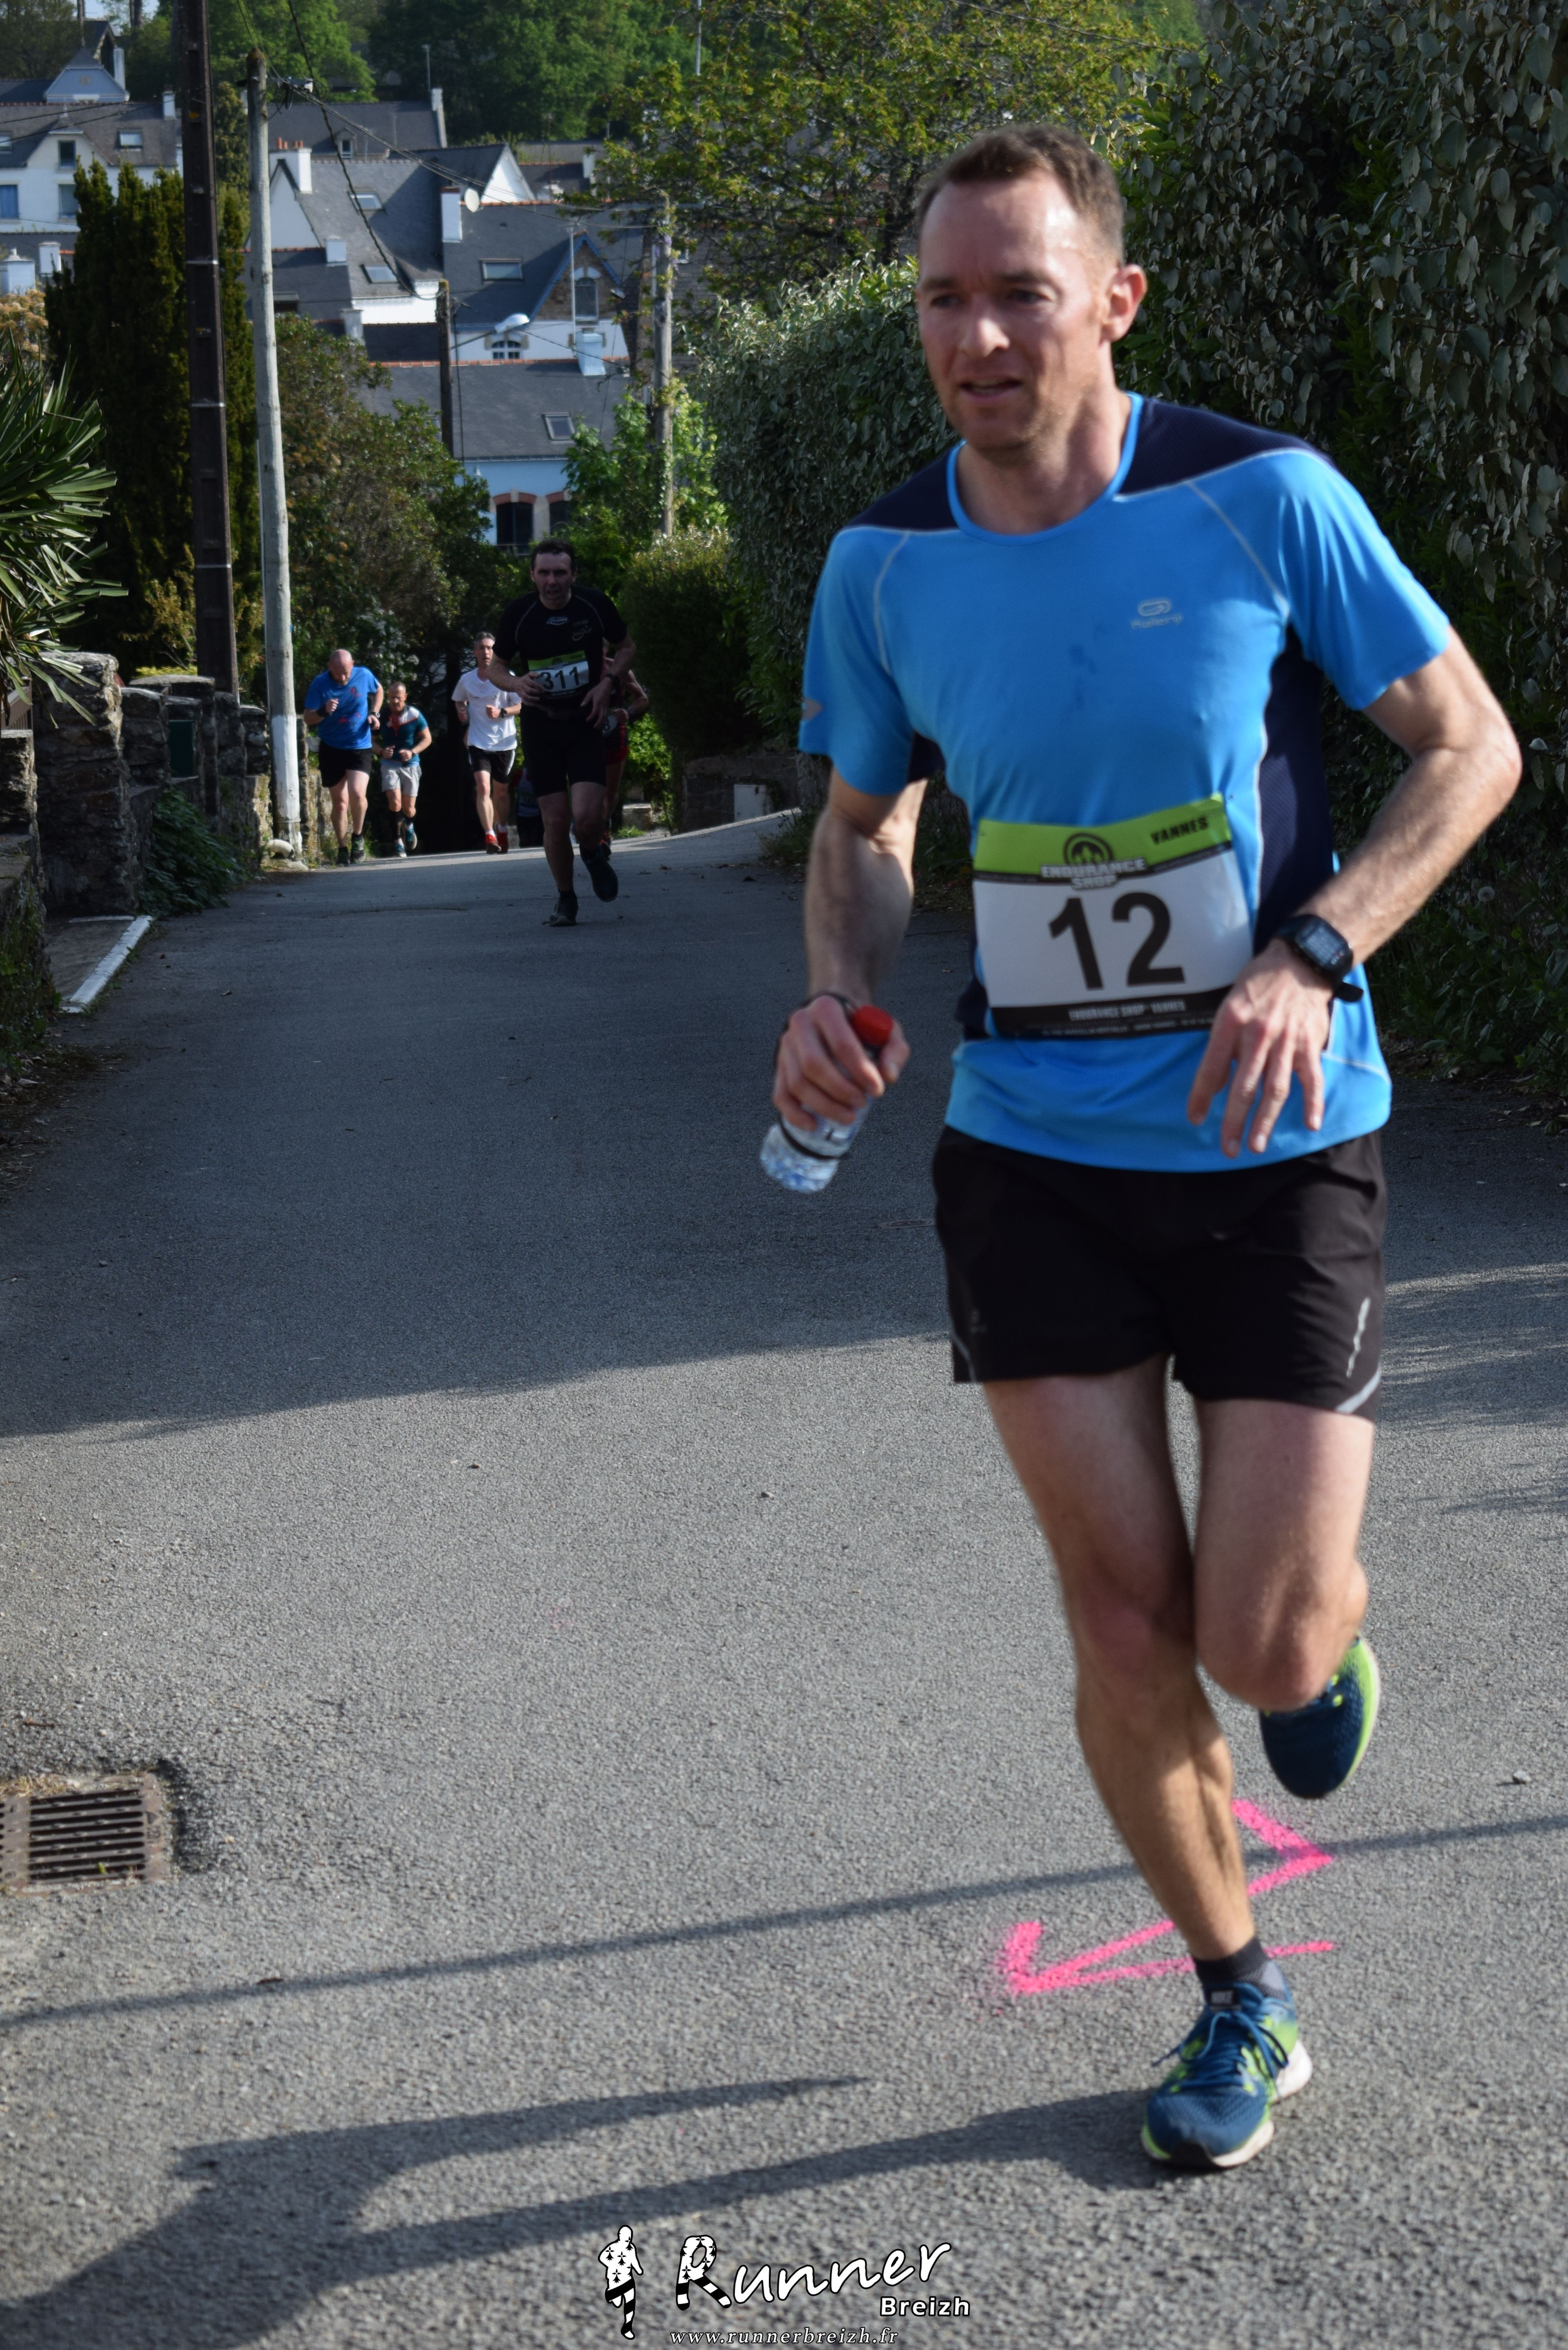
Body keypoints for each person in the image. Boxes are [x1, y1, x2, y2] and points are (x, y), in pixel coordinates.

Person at [775, 123, 1520, 2172]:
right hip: (1030, 1145)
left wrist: (1313, 949)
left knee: (1256, 1637)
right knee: (1121, 1621)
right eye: (942, 300)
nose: (977, 338)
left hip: (1276, 1132)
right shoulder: (882, 563)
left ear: (1110, 302)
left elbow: (1467, 747)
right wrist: (835, 990)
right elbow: (865, 826)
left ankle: (1314, 1630)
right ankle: (1237, 1991)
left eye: (1020, 293)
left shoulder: (1261, 498)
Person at [488, 540, 636, 925]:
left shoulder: (593, 604)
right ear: (533, 575)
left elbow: (626, 648)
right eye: (544, 573)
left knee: (587, 818)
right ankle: (566, 898)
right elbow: (496, 667)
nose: (551, 581)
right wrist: (517, 684)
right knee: (554, 821)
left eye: (559, 573)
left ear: (573, 575)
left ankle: (592, 854)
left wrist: (608, 684)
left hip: (585, 721)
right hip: (541, 726)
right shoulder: (519, 613)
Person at [302, 648, 383, 864]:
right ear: (330, 667)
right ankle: (342, 848)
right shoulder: (320, 684)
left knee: (357, 794)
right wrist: (323, 712)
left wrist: (374, 713)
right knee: (340, 803)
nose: (344, 677)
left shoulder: (363, 675)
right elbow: (308, 718)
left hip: (360, 745)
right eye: (338, 673)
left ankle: (357, 838)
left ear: (353, 664)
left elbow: (379, 690)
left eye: (347, 672)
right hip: (332, 748)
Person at [451, 630, 523, 852]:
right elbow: (459, 700)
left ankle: (502, 828)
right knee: (483, 787)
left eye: (490, 648)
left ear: (496, 652)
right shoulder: (467, 680)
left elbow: (521, 706)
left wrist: (502, 712)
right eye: (481, 648)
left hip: (504, 743)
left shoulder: (506, 677)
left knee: (501, 792)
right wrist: (462, 711)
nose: (486, 652)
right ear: (475, 652)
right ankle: (490, 836)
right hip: (478, 741)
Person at [376, 679, 431, 857]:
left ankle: (409, 825)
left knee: (409, 809)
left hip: (411, 765)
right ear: (388, 698)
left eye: (398, 698)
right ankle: (398, 842)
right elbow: (370, 741)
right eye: (392, 697)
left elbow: (427, 739)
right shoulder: (381, 717)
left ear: (405, 697)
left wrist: (412, 752)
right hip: (389, 765)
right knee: (395, 803)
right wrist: (382, 751)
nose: (395, 701)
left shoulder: (414, 715)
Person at [603, 663, 650, 831]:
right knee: (588, 789)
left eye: (601, 650)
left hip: (614, 737)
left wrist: (628, 712)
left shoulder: (618, 668)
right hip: (585, 738)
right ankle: (585, 824)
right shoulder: (578, 668)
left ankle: (605, 826)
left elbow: (643, 699)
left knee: (610, 791)